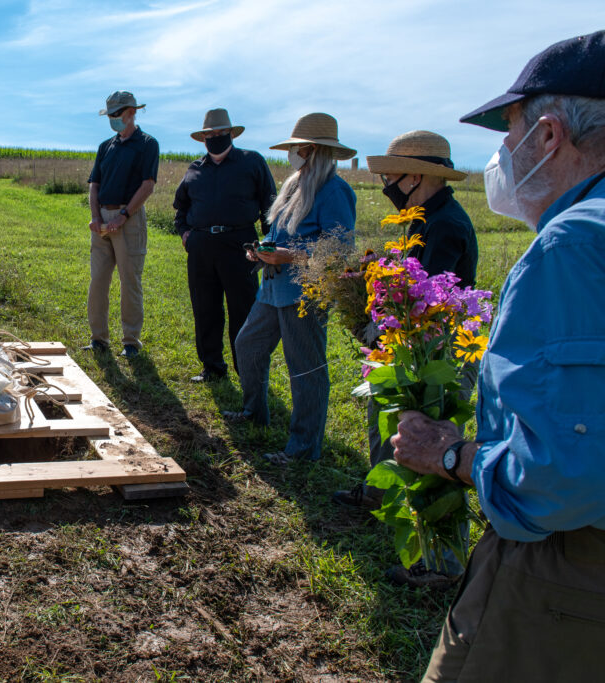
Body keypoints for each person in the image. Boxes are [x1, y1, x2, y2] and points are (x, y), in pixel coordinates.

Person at [392, 31, 605, 681]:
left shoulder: (573, 242)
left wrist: (452, 454)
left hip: (563, 578)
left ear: (548, 137)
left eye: (508, 130)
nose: (503, 153)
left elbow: (560, 478)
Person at [333, 130, 478, 589]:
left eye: (392, 176)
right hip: (415, 346)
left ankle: (444, 564)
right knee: (388, 416)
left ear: (417, 176)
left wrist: (384, 324)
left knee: (436, 444)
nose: (387, 185)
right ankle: (380, 492)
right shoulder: (421, 219)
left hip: (438, 354)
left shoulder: (445, 226)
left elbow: (428, 299)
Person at [226, 113, 356, 464]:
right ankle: (255, 411)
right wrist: (265, 248)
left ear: (312, 150)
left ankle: (303, 449)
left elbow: (338, 249)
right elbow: (279, 233)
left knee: (305, 370)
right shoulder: (295, 185)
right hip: (272, 288)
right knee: (248, 345)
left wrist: (288, 255)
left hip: (304, 294)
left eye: (296, 148)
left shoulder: (334, 191)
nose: (292, 154)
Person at [174, 108, 276, 382]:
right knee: (205, 307)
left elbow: (270, 203)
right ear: (203, 138)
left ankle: (246, 369)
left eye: (221, 133)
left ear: (231, 133)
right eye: (210, 134)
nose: (215, 137)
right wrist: (185, 233)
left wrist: (268, 242)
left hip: (240, 244)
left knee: (243, 309)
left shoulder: (251, 162)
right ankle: (212, 366)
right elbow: (180, 207)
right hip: (201, 245)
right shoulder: (195, 169)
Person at [85, 91, 159, 359]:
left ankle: (130, 341)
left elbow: (147, 185)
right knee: (98, 281)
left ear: (131, 113)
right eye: (110, 116)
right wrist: (96, 217)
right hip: (102, 220)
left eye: (116, 115)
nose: (113, 120)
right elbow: (95, 184)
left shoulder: (147, 144)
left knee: (130, 281)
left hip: (129, 220)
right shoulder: (106, 146)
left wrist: (123, 215)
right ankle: (98, 339)